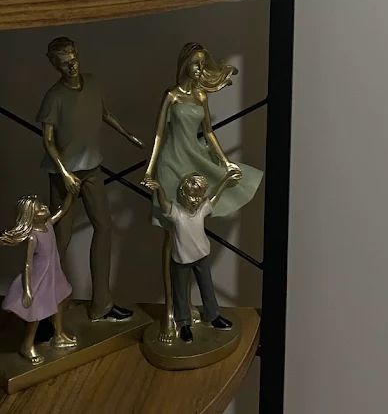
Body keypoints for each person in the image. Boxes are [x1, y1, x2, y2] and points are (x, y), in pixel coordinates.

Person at [141, 42, 263, 340]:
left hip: (194, 160)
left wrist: (225, 161)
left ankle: (204, 312)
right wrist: (149, 169)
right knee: (172, 237)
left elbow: (208, 131)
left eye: (202, 64)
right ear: (184, 64)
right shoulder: (171, 96)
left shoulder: (200, 96)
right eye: (195, 64)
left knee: (194, 228)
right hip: (170, 164)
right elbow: (159, 133)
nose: (199, 70)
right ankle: (172, 312)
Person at [37, 36, 144, 321]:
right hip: (65, 175)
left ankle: (102, 304)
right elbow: (47, 140)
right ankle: (49, 313)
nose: (71, 65)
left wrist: (127, 135)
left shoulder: (92, 82)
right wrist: (64, 173)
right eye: (64, 63)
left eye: (73, 58)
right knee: (60, 240)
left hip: (92, 168)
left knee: (104, 227)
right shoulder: (54, 97)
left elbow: (104, 113)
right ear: (55, 66)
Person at [149, 171, 241, 342]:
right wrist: (159, 188)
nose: (195, 200)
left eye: (199, 196)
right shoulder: (177, 214)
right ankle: (183, 323)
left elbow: (214, 197)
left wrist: (225, 181)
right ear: (183, 195)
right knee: (180, 292)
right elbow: (164, 204)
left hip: (201, 257)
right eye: (192, 196)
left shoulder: (201, 211)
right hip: (181, 260)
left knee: (207, 286)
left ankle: (213, 315)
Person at [1, 192, 76, 364]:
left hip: (54, 273)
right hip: (40, 277)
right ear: (31, 217)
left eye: (42, 205)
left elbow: (63, 210)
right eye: (39, 209)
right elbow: (27, 264)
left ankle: (59, 335)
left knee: (60, 299)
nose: (44, 208)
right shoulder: (32, 236)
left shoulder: (48, 224)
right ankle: (27, 345)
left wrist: (71, 193)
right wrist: (27, 289)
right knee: (36, 312)